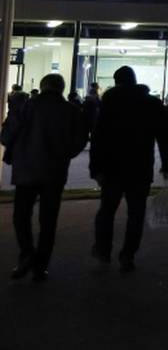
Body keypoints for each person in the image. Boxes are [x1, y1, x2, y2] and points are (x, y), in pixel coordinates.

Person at [1, 73, 87, 281]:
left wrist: (13, 150)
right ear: (62, 88)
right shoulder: (71, 111)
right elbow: (80, 140)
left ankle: (26, 254)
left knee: (21, 215)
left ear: (42, 86)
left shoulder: (26, 106)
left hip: (26, 170)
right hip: (55, 171)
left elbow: (7, 134)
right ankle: (41, 266)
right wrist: (65, 153)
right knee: (48, 220)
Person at [89, 66, 168, 273]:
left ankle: (103, 250)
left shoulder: (110, 103)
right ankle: (128, 255)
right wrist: (167, 163)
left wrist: (96, 167)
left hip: (112, 167)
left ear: (117, 81)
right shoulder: (151, 103)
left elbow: (98, 138)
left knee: (107, 211)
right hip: (140, 166)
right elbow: (164, 136)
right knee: (136, 213)